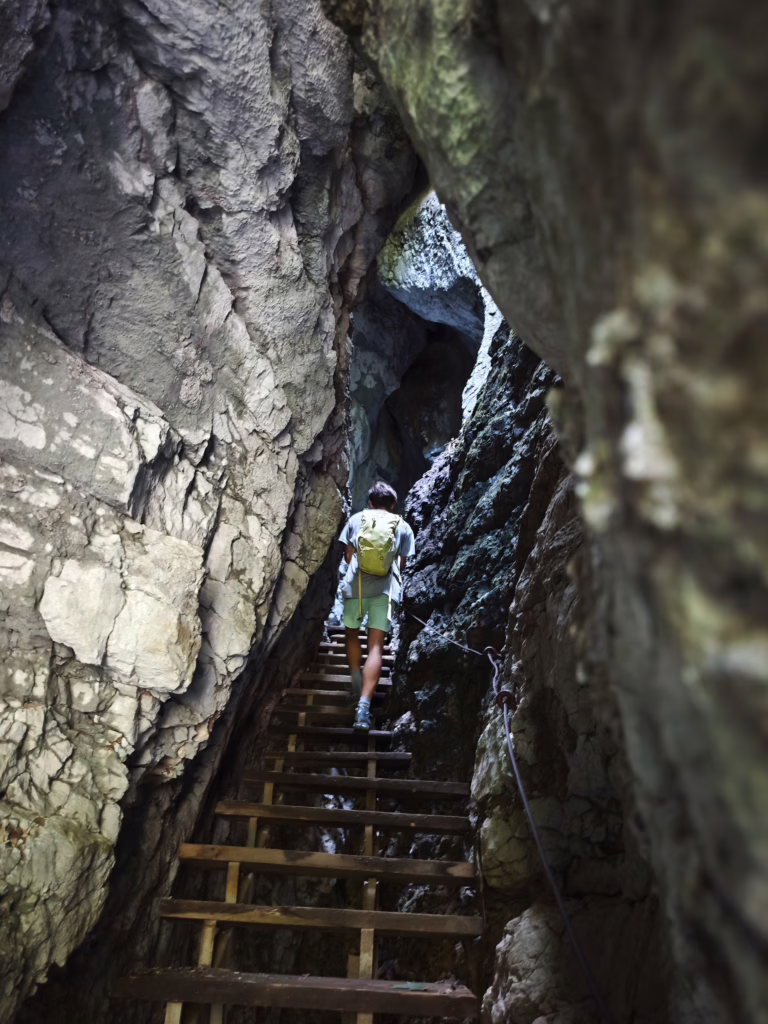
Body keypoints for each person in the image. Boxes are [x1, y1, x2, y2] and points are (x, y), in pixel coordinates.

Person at [339, 481, 415, 730]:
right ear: (393, 505)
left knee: (351, 633)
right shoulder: (402, 526)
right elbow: (402, 565)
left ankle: (354, 680)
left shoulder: (357, 519)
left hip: (355, 587)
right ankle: (363, 709)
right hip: (386, 590)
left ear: (370, 503)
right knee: (375, 647)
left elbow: (349, 555)